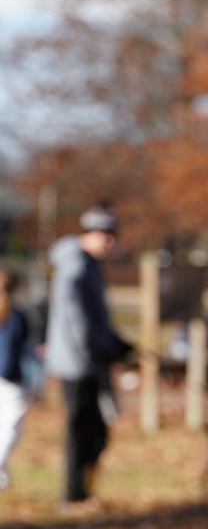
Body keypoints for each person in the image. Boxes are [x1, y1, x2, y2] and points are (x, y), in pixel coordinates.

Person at [46, 205, 131, 507]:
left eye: (112, 234)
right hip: (77, 363)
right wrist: (106, 346)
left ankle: (83, 491)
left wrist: (115, 342)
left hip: (91, 360)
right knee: (80, 430)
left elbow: (96, 320)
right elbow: (78, 321)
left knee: (97, 431)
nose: (110, 241)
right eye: (105, 235)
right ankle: (72, 495)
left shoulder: (90, 265)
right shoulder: (75, 267)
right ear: (89, 234)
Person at [0, 271, 31, 489]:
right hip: (10, 379)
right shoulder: (17, 317)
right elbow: (24, 348)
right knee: (11, 428)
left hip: (10, 377)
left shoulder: (17, 316)